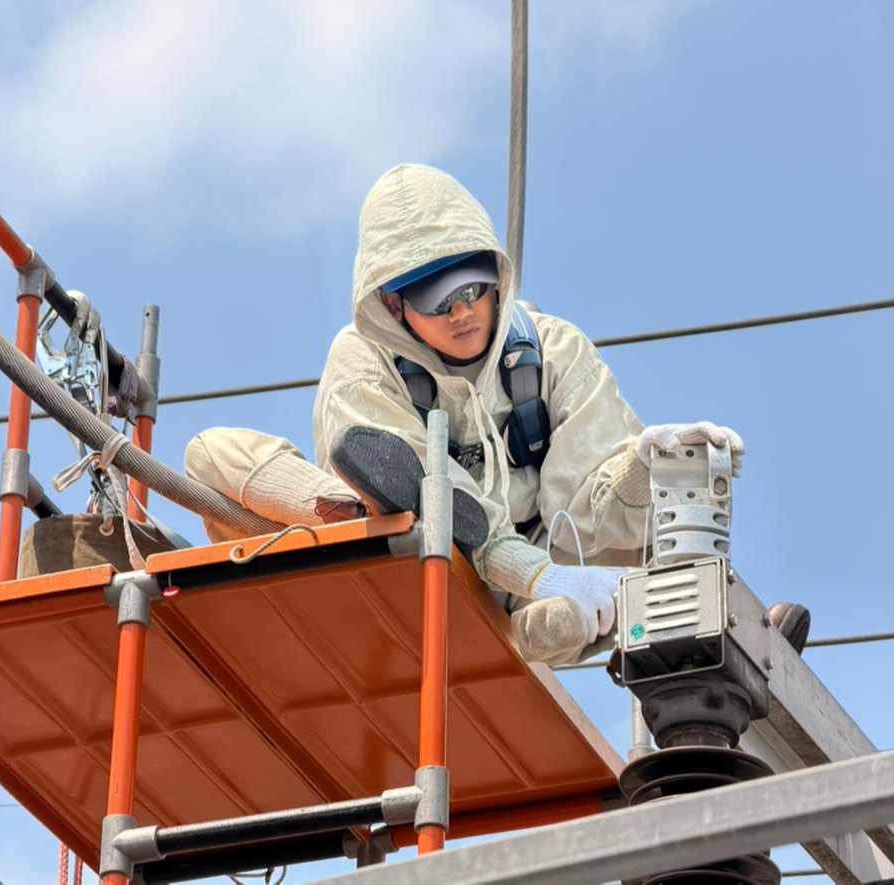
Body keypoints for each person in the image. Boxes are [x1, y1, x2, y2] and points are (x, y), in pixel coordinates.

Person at [187, 164, 807, 664]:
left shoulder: (550, 350)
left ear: (496, 278)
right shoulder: (363, 361)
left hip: (533, 566)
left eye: (472, 288)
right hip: (402, 558)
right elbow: (429, 494)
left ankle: (723, 636)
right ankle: (356, 514)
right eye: (437, 300)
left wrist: (642, 472)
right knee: (211, 454)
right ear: (394, 305)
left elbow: (586, 509)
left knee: (656, 512)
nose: (462, 312)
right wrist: (533, 574)